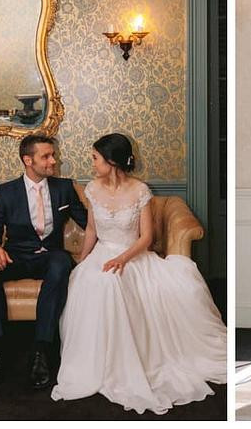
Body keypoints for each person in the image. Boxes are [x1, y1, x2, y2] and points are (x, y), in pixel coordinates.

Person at [51, 133, 227, 415]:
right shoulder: (92, 188)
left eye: (96, 158)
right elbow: (93, 231)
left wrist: (122, 258)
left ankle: (130, 362)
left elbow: (147, 237)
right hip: (102, 253)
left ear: (111, 161)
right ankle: (98, 363)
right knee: (94, 279)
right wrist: (83, 261)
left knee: (115, 281)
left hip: (132, 255)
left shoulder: (140, 190)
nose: (92, 163)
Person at [0, 134, 88, 390]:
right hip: (16, 255)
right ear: (28, 160)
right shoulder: (6, 192)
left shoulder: (64, 188)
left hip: (49, 256)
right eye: (46, 156)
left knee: (61, 263)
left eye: (53, 155)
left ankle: (41, 350)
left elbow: (88, 223)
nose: (54, 160)